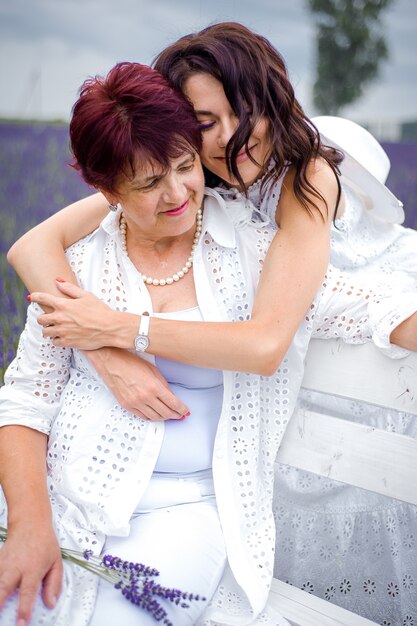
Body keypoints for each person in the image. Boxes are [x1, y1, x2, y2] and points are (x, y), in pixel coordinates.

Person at [5, 22, 417, 624]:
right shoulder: (139, 216)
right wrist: (106, 358)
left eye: (239, 112)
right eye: (201, 125)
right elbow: (33, 264)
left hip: (353, 280)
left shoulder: (291, 199)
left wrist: (123, 330)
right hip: (75, 498)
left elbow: (310, 322)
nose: (226, 140)